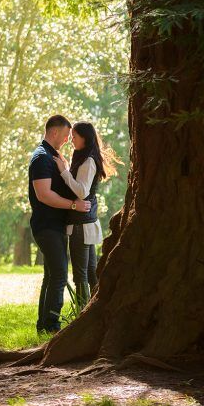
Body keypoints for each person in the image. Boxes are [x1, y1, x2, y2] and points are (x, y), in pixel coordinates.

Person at [28, 114, 91, 334]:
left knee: (51, 275)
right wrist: (74, 206)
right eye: (65, 135)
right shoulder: (41, 158)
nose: (67, 140)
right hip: (47, 226)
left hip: (56, 226)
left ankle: (43, 326)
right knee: (60, 275)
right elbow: (44, 195)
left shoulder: (53, 155)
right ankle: (52, 326)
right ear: (54, 132)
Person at [53, 121, 120, 310]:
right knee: (90, 272)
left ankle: (83, 313)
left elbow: (81, 191)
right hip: (83, 223)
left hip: (81, 225)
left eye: (74, 136)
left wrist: (64, 172)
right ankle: (94, 311)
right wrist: (67, 167)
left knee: (82, 274)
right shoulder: (83, 157)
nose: (71, 139)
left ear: (85, 138)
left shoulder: (89, 160)